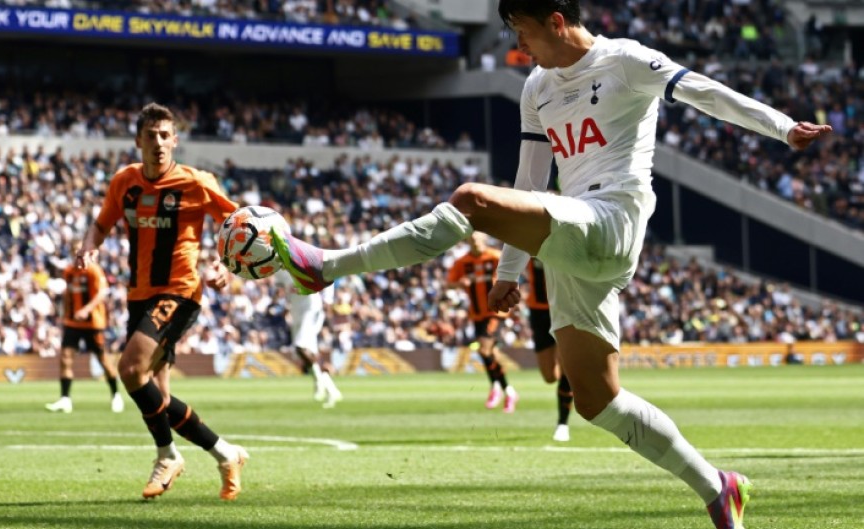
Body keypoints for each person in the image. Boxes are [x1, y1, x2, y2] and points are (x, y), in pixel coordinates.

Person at [269, 2, 832, 527]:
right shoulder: (537, 86)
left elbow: (704, 92)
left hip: (612, 219)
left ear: (557, 21)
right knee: (596, 400)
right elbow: (531, 182)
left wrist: (784, 128)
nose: (518, 42)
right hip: (569, 235)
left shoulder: (626, 60)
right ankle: (717, 486)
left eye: (522, 29)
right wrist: (509, 272)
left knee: (470, 198)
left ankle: (325, 265)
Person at [75, 102, 249, 501]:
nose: (158, 143)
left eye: (165, 135)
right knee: (157, 395)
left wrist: (226, 265)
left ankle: (167, 454)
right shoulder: (125, 182)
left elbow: (239, 224)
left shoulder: (197, 182)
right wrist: (89, 247)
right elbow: (101, 224)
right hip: (139, 293)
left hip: (180, 290)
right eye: (150, 135)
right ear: (138, 140)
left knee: (130, 368)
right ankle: (225, 453)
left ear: (175, 140)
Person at [446, 232, 518, 413]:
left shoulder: (495, 257)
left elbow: (513, 275)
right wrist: (458, 284)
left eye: (479, 239)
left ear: (485, 240)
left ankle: (500, 389)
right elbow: (449, 283)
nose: (476, 242)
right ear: (467, 241)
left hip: (496, 312)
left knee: (484, 349)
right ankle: (505, 390)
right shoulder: (462, 262)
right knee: (490, 353)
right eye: (472, 239)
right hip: (477, 314)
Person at [45, 254, 123, 414]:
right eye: (74, 253)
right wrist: (65, 315)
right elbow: (68, 294)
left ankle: (116, 395)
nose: (77, 257)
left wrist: (86, 310)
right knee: (65, 358)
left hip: (92, 323)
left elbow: (102, 293)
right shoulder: (69, 271)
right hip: (72, 322)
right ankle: (65, 399)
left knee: (103, 360)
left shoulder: (94, 270)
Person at [274, 269, 343, 408]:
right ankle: (332, 390)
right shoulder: (278, 269)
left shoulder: (300, 259)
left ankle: (318, 381)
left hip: (311, 308)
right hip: (296, 311)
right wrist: (280, 300)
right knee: (307, 354)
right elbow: (281, 287)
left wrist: (328, 300)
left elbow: (327, 274)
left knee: (300, 347)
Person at [524, 257, 571, 440]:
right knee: (549, 376)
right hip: (538, 312)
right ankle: (568, 370)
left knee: (566, 363)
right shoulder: (529, 241)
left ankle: (562, 424)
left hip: (564, 306)